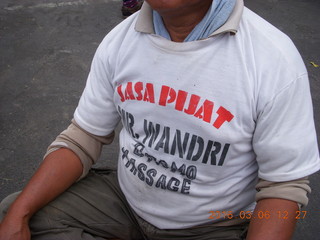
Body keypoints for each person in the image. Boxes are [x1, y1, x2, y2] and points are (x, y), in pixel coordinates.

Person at [0, 0, 319, 239]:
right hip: (125, 204)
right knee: (19, 214)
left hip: (213, 224)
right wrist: (20, 212)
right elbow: (84, 137)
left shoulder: (272, 59)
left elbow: (283, 187)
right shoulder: (120, 41)